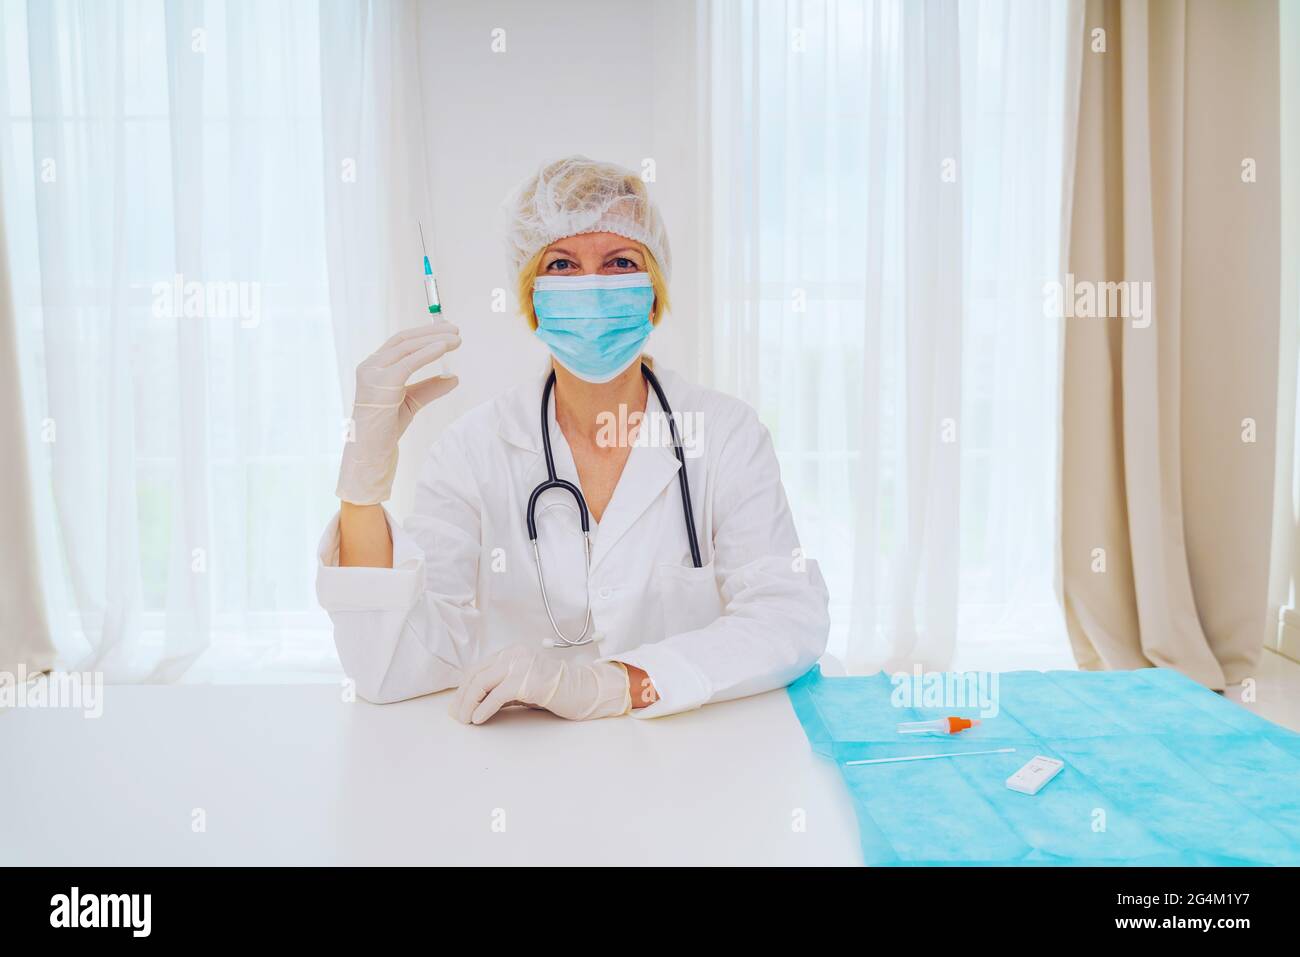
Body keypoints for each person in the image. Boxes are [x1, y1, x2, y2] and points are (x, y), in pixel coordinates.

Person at [316, 156, 828, 724]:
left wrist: (615, 684)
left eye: (620, 262)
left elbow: (787, 615)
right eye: (561, 264)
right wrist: (362, 483)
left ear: (654, 291)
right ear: (529, 296)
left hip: (690, 766)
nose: (590, 286)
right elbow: (393, 666)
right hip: (522, 767)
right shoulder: (472, 451)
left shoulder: (725, 434)